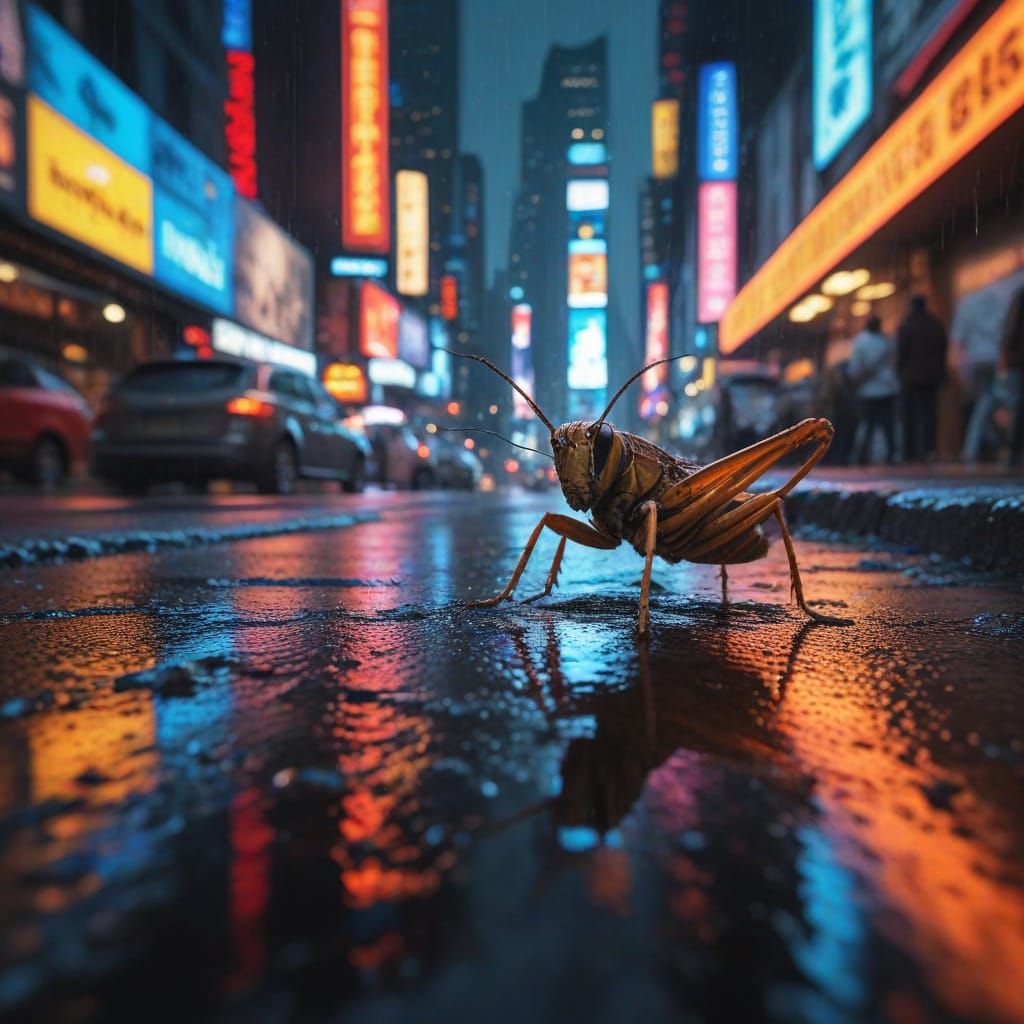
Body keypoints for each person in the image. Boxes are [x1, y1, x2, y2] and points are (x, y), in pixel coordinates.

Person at [897, 294, 948, 461]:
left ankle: (910, 452)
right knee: (930, 415)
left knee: (910, 415)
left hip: (910, 376)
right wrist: (942, 372)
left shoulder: (907, 325)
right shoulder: (935, 324)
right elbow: (942, 350)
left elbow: (902, 352)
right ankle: (929, 449)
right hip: (932, 375)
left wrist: (900, 372)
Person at [848, 315, 899, 464]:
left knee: (867, 425)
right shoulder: (886, 342)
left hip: (868, 390)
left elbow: (855, 368)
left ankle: (862, 456)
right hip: (887, 389)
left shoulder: (861, 342)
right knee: (888, 425)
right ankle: (891, 455)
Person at [1001, 288, 1024, 468]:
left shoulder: (1020, 296)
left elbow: (1010, 331)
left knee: (1018, 407)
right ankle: (1014, 454)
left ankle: (1014, 455)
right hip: (1018, 360)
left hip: (1018, 360)